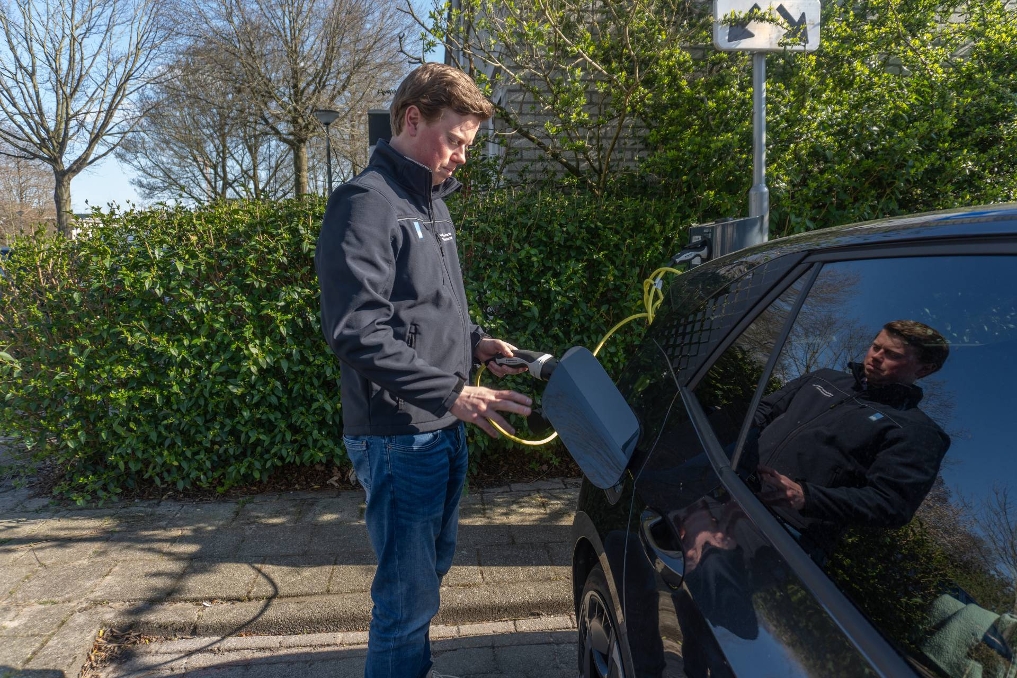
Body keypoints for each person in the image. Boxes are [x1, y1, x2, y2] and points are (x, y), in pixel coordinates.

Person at [315, 63, 533, 678]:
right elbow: (357, 331)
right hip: (399, 436)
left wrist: (478, 343)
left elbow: (426, 313)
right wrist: (453, 392)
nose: (463, 156)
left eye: (468, 144)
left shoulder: (429, 204)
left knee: (426, 579)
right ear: (413, 119)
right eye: (457, 140)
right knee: (406, 600)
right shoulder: (365, 204)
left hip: (440, 427)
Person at [747, 320, 951, 556]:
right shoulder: (823, 378)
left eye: (892, 355)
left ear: (924, 369)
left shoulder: (917, 430)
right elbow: (760, 413)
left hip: (785, 529)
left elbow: (893, 504)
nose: (875, 356)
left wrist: (807, 497)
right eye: (876, 347)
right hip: (732, 480)